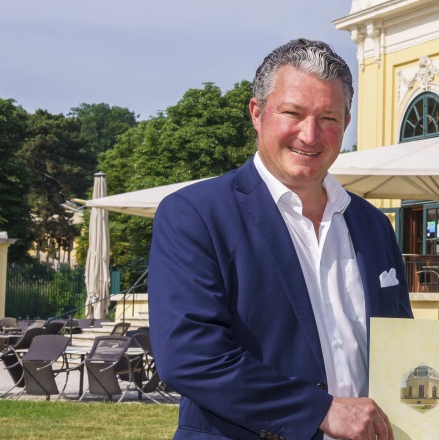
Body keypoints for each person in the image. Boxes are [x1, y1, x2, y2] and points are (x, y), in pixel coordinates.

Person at [149, 38, 413, 440]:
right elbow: (191, 357)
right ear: (257, 113)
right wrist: (320, 411)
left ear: (346, 122)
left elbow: (400, 345)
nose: (310, 135)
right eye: (293, 113)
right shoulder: (195, 215)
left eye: (328, 118)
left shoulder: (374, 224)